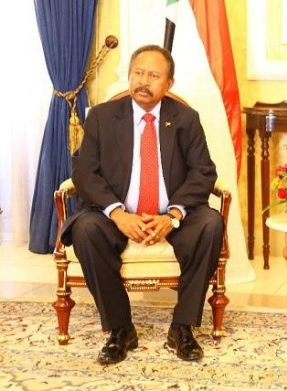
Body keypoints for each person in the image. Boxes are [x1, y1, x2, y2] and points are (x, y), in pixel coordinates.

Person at [61, 44, 223, 365]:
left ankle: (182, 328)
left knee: (210, 223)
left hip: (171, 214)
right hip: (116, 214)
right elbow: (84, 172)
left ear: (169, 83)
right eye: (138, 73)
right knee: (86, 229)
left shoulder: (185, 119)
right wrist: (117, 213)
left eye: (153, 76)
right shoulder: (102, 117)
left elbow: (203, 172)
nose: (143, 82)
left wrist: (173, 215)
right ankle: (121, 329)